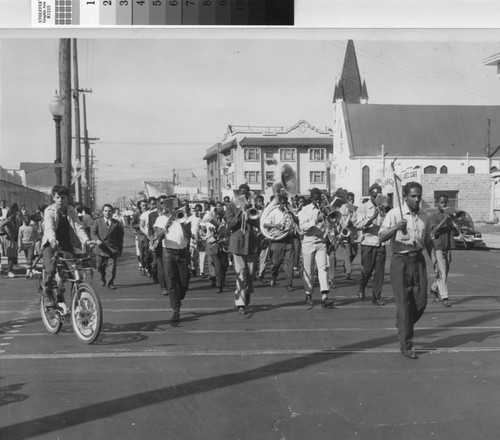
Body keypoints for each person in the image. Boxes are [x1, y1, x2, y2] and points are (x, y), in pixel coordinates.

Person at [379, 181, 433, 360]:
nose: (417, 199)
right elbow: (381, 237)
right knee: (404, 306)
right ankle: (406, 345)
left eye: (419, 195)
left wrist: (435, 263)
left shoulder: (425, 217)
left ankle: (403, 324)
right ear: (405, 196)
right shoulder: (395, 214)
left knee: (421, 302)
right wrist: (395, 228)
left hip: (418, 260)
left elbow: (428, 241)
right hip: (400, 261)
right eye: (413, 196)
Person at [40, 186, 93, 306]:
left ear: (67, 198)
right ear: (53, 198)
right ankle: (47, 291)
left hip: (66, 245)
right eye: (57, 197)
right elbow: (49, 227)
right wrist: (53, 239)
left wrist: (86, 240)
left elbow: (78, 227)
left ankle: (78, 298)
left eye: (63, 197)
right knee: (50, 269)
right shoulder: (49, 211)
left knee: (74, 271)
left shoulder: (71, 210)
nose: (60, 200)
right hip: (50, 244)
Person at [154, 202, 192, 322]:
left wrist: (182, 220)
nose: (171, 209)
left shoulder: (183, 217)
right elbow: (159, 236)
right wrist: (168, 223)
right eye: (168, 207)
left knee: (184, 281)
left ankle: (178, 298)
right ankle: (176, 310)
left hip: (182, 252)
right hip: (168, 252)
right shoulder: (161, 219)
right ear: (165, 208)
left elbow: (189, 234)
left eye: (173, 207)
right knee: (170, 281)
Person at [297, 188, 334, 308]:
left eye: (320, 199)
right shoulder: (305, 210)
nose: (318, 201)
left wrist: (330, 219)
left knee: (323, 268)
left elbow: (331, 224)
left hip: (321, 241)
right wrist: (316, 220)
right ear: (312, 198)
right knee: (308, 270)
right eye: (316, 199)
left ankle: (325, 296)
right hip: (308, 241)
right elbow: (302, 227)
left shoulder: (325, 209)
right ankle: (308, 294)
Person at [226, 183, 259, 314]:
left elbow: (257, 224)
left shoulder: (252, 206)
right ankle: (240, 303)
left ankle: (248, 291)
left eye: (246, 193)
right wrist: (240, 212)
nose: (243, 195)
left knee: (250, 275)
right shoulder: (231, 206)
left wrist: (252, 211)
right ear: (238, 193)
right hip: (238, 243)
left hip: (250, 244)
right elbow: (230, 225)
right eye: (241, 192)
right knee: (240, 273)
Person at [355, 183, 387, 306]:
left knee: (379, 273)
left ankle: (376, 297)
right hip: (367, 242)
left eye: (378, 196)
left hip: (380, 243)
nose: (376, 199)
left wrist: (383, 213)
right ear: (370, 196)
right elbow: (359, 225)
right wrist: (373, 216)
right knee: (367, 270)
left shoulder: (383, 208)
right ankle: (362, 285)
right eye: (374, 196)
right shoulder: (362, 208)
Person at [264, 194, 296, 291]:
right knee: (276, 263)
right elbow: (265, 224)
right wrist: (275, 225)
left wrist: (292, 216)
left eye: (285, 203)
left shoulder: (288, 213)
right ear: (279, 203)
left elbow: (294, 223)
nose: (284, 205)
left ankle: (289, 284)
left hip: (288, 240)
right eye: (282, 203)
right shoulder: (273, 212)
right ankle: (273, 276)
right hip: (277, 241)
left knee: (289, 263)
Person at [428, 194, 455, 307]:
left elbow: (450, 233)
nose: (443, 204)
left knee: (445, 271)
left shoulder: (448, 215)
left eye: (445, 202)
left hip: (446, 246)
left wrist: (450, 249)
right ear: (437, 203)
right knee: (442, 271)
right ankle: (445, 297)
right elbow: (434, 232)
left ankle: (434, 288)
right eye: (441, 202)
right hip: (437, 246)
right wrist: (445, 219)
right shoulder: (433, 215)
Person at [91, 203, 124, 290]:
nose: (107, 213)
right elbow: (93, 233)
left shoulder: (117, 223)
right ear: (102, 212)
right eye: (105, 211)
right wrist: (97, 240)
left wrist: (120, 249)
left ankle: (110, 282)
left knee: (112, 268)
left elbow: (120, 238)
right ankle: (102, 278)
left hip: (112, 248)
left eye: (109, 211)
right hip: (100, 248)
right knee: (99, 266)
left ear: (112, 212)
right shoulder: (97, 221)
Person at [205, 211, 230, 293]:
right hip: (215, 249)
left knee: (224, 267)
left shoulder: (225, 227)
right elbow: (208, 240)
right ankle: (219, 286)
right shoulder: (211, 228)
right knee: (218, 268)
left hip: (224, 250)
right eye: (217, 219)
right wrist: (214, 238)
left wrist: (223, 240)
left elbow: (228, 238)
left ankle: (222, 282)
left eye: (219, 219)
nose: (218, 221)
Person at [338, 192, 358, 280]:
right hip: (345, 231)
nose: (351, 200)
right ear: (347, 199)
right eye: (350, 199)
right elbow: (340, 219)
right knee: (348, 252)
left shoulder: (355, 208)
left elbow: (356, 219)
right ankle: (348, 272)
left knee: (355, 251)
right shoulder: (343, 207)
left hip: (352, 232)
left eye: (353, 198)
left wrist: (353, 215)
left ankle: (346, 264)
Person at [1, 203, 20, 278]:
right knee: (11, 255)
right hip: (10, 239)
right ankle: (10, 271)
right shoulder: (9, 220)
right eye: (15, 213)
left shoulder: (15, 220)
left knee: (12, 255)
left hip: (14, 238)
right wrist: (6, 233)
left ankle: (10, 269)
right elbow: (1, 225)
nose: (16, 214)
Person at [131, 199, 148, 275]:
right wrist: (140, 225)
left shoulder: (149, 213)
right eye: (143, 205)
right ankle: (142, 265)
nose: (145, 207)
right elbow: (133, 225)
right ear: (140, 206)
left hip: (149, 235)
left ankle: (148, 267)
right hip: (140, 235)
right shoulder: (136, 214)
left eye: (146, 205)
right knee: (140, 252)